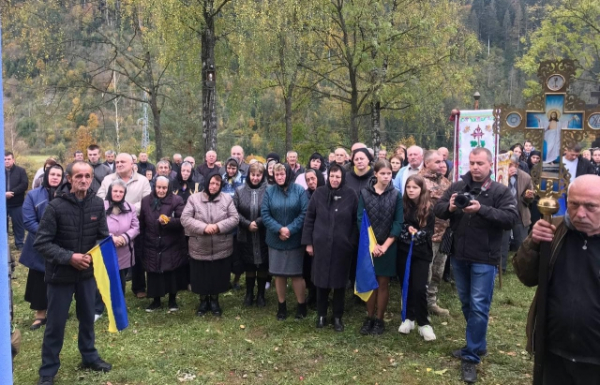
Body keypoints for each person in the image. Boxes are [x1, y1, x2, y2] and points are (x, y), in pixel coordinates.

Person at [434, 147, 519, 384]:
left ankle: (471, 356)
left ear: (490, 165)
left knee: (480, 306)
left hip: (485, 258)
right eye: (472, 163)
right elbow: (437, 210)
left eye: (480, 163)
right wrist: (450, 207)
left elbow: (511, 219)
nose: (475, 167)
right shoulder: (457, 187)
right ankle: (478, 344)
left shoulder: (499, 191)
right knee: (467, 303)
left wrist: (482, 209)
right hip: (460, 256)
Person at [514, 174, 600, 384]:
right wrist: (533, 243)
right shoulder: (553, 229)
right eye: (573, 204)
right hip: (554, 352)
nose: (580, 214)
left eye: (590, 206)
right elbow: (526, 275)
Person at [34, 162, 112, 385]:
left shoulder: (97, 204)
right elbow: (42, 243)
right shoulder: (55, 207)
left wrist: (91, 255)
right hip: (60, 275)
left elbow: (102, 236)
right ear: (69, 178)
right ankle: (48, 370)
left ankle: (89, 356)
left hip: (86, 274)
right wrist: (69, 257)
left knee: (87, 318)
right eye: (79, 176)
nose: (84, 180)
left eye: (88, 176)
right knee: (55, 324)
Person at [301, 164, 358, 332]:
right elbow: (309, 218)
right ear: (328, 177)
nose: (334, 179)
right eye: (332, 176)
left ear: (343, 178)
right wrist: (309, 242)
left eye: (338, 177)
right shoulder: (319, 194)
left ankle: (337, 316)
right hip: (321, 245)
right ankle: (321, 315)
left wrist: (351, 242)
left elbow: (356, 221)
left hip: (342, 247)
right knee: (321, 282)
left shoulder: (350, 195)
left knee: (339, 283)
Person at [182, 172, 239, 317]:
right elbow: (185, 218)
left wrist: (218, 226)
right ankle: (203, 301)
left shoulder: (226, 199)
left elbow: (234, 218)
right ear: (207, 183)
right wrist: (203, 227)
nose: (214, 186)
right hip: (199, 245)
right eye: (212, 183)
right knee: (201, 275)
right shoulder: (194, 199)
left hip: (221, 245)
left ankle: (214, 300)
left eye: (217, 184)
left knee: (217, 275)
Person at [357, 159, 403, 335]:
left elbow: (398, 222)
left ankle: (379, 319)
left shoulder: (396, 194)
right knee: (370, 282)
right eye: (382, 173)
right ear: (375, 174)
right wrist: (372, 244)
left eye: (389, 173)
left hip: (388, 246)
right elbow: (360, 219)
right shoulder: (364, 193)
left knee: (383, 283)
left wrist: (385, 245)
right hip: (368, 245)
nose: (386, 176)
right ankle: (369, 317)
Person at [97, 153, 151, 298]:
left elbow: (146, 200)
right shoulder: (108, 179)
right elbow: (100, 197)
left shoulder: (142, 180)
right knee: (112, 258)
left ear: (132, 164)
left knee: (137, 255)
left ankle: (139, 287)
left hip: (135, 221)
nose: (119, 164)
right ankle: (111, 289)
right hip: (111, 223)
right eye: (117, 162)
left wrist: (128, 208)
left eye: (122, 162)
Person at [261, 163, 309, 321]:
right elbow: (265, 214)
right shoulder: (269, 191)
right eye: (277, 175)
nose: (280, 177)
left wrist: (289, 229)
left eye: (282, 174)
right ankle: (282, 306)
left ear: (288, 174)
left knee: (296, 274)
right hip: (275, 240)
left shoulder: (299, 190)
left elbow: (304, 212)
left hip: (294, 239)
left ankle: (301, 305)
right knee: (279, 274)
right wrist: (279, 229)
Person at [20, 165, 64, 330]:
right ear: (46, 176)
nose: (55, 177)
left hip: (61, 244)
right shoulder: (33, 195)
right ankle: (40, 315)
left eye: (58, 175)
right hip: (39, 245)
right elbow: (29, 221)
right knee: (40, 280)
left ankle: (58, 311)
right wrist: (47, 234)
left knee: (60, 279)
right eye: (52, 174)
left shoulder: (66, 195)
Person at [139, 176, 187, 312]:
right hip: (151, 241)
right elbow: (142, 223)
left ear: (168, 188)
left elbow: (183, 220)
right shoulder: (146, 201)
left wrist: (169, 221)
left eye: (164, 188)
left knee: (171, 272)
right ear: (154, 187)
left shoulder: (176, 200)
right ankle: (156, 300)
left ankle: (172, 300)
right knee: (154, 273)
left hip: (171, 242)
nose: (161, 190)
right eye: (158, 187)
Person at [94, 180, 140, 320]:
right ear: (110, 192)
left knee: (120, 280)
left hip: (123, 250)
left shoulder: (130, 207)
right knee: (102, 279)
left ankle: (117, 307)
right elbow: (95, 226)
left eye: (121, 192)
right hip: (105, 248)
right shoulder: (101, 206)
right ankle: (97, 309)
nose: (118, 194)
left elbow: (136, 226)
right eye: (115, 191)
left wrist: (125, 237)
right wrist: (111, 237)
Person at [397, 175, 436, 341]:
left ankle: (423, 322)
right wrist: (406, 230)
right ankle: (409, 318)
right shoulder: (402, 205)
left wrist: (418, 234)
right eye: (408, 187)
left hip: (421, 253)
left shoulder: (428, 207)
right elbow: (399, 223)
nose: (411, 190)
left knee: (420, 287)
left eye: (415, 187)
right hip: (403, 251)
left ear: (421, 189)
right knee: (407, 284)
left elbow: (430, 230)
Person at [418, 150, 452, 317]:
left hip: (444, 234)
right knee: (425, 272)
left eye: (442, 161)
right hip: (427, 236)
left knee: (438, 271)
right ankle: (419, 304)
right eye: (437, 161)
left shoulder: (446, 182)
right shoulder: (418, 181)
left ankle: (432, 302)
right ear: (427, 163)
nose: (442, 164)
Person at [233, 163, 269, 307]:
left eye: (258, 175)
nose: (255, 178)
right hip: (245, 234)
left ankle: (261, 294)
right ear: (248, 175)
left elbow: (270, 209)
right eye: (253, 175)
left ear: (262, 176)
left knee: (262, 265)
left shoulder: (269, 190)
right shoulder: (239, 191)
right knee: (249, 265)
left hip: (263, 233)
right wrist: (247, 223)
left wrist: (258, 222)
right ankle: (249, 294)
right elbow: (234, 211)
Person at [500, 155, 534, 273]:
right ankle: (501, 267)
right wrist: (506, 177)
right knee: (502, 242)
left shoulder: (526, 177)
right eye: (507, 165)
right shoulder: (500, 175)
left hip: (520, 213)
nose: (510, 168)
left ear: (517, 165)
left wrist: (527, 196)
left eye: (512, 165)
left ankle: (521, 268)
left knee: (522, 243)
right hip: (504, 214)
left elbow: (530, 198)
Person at [5, 151, 29, 250]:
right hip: (3, 204)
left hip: (17, 203)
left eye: (8, 159)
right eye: (4, 159)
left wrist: (12, 192)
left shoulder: (21, 171)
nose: (6, 161)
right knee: (3, 224)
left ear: (13, 160)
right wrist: (4, 194)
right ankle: (4, 244)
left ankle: (19, 243)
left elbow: (24, 185)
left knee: (18, 224)